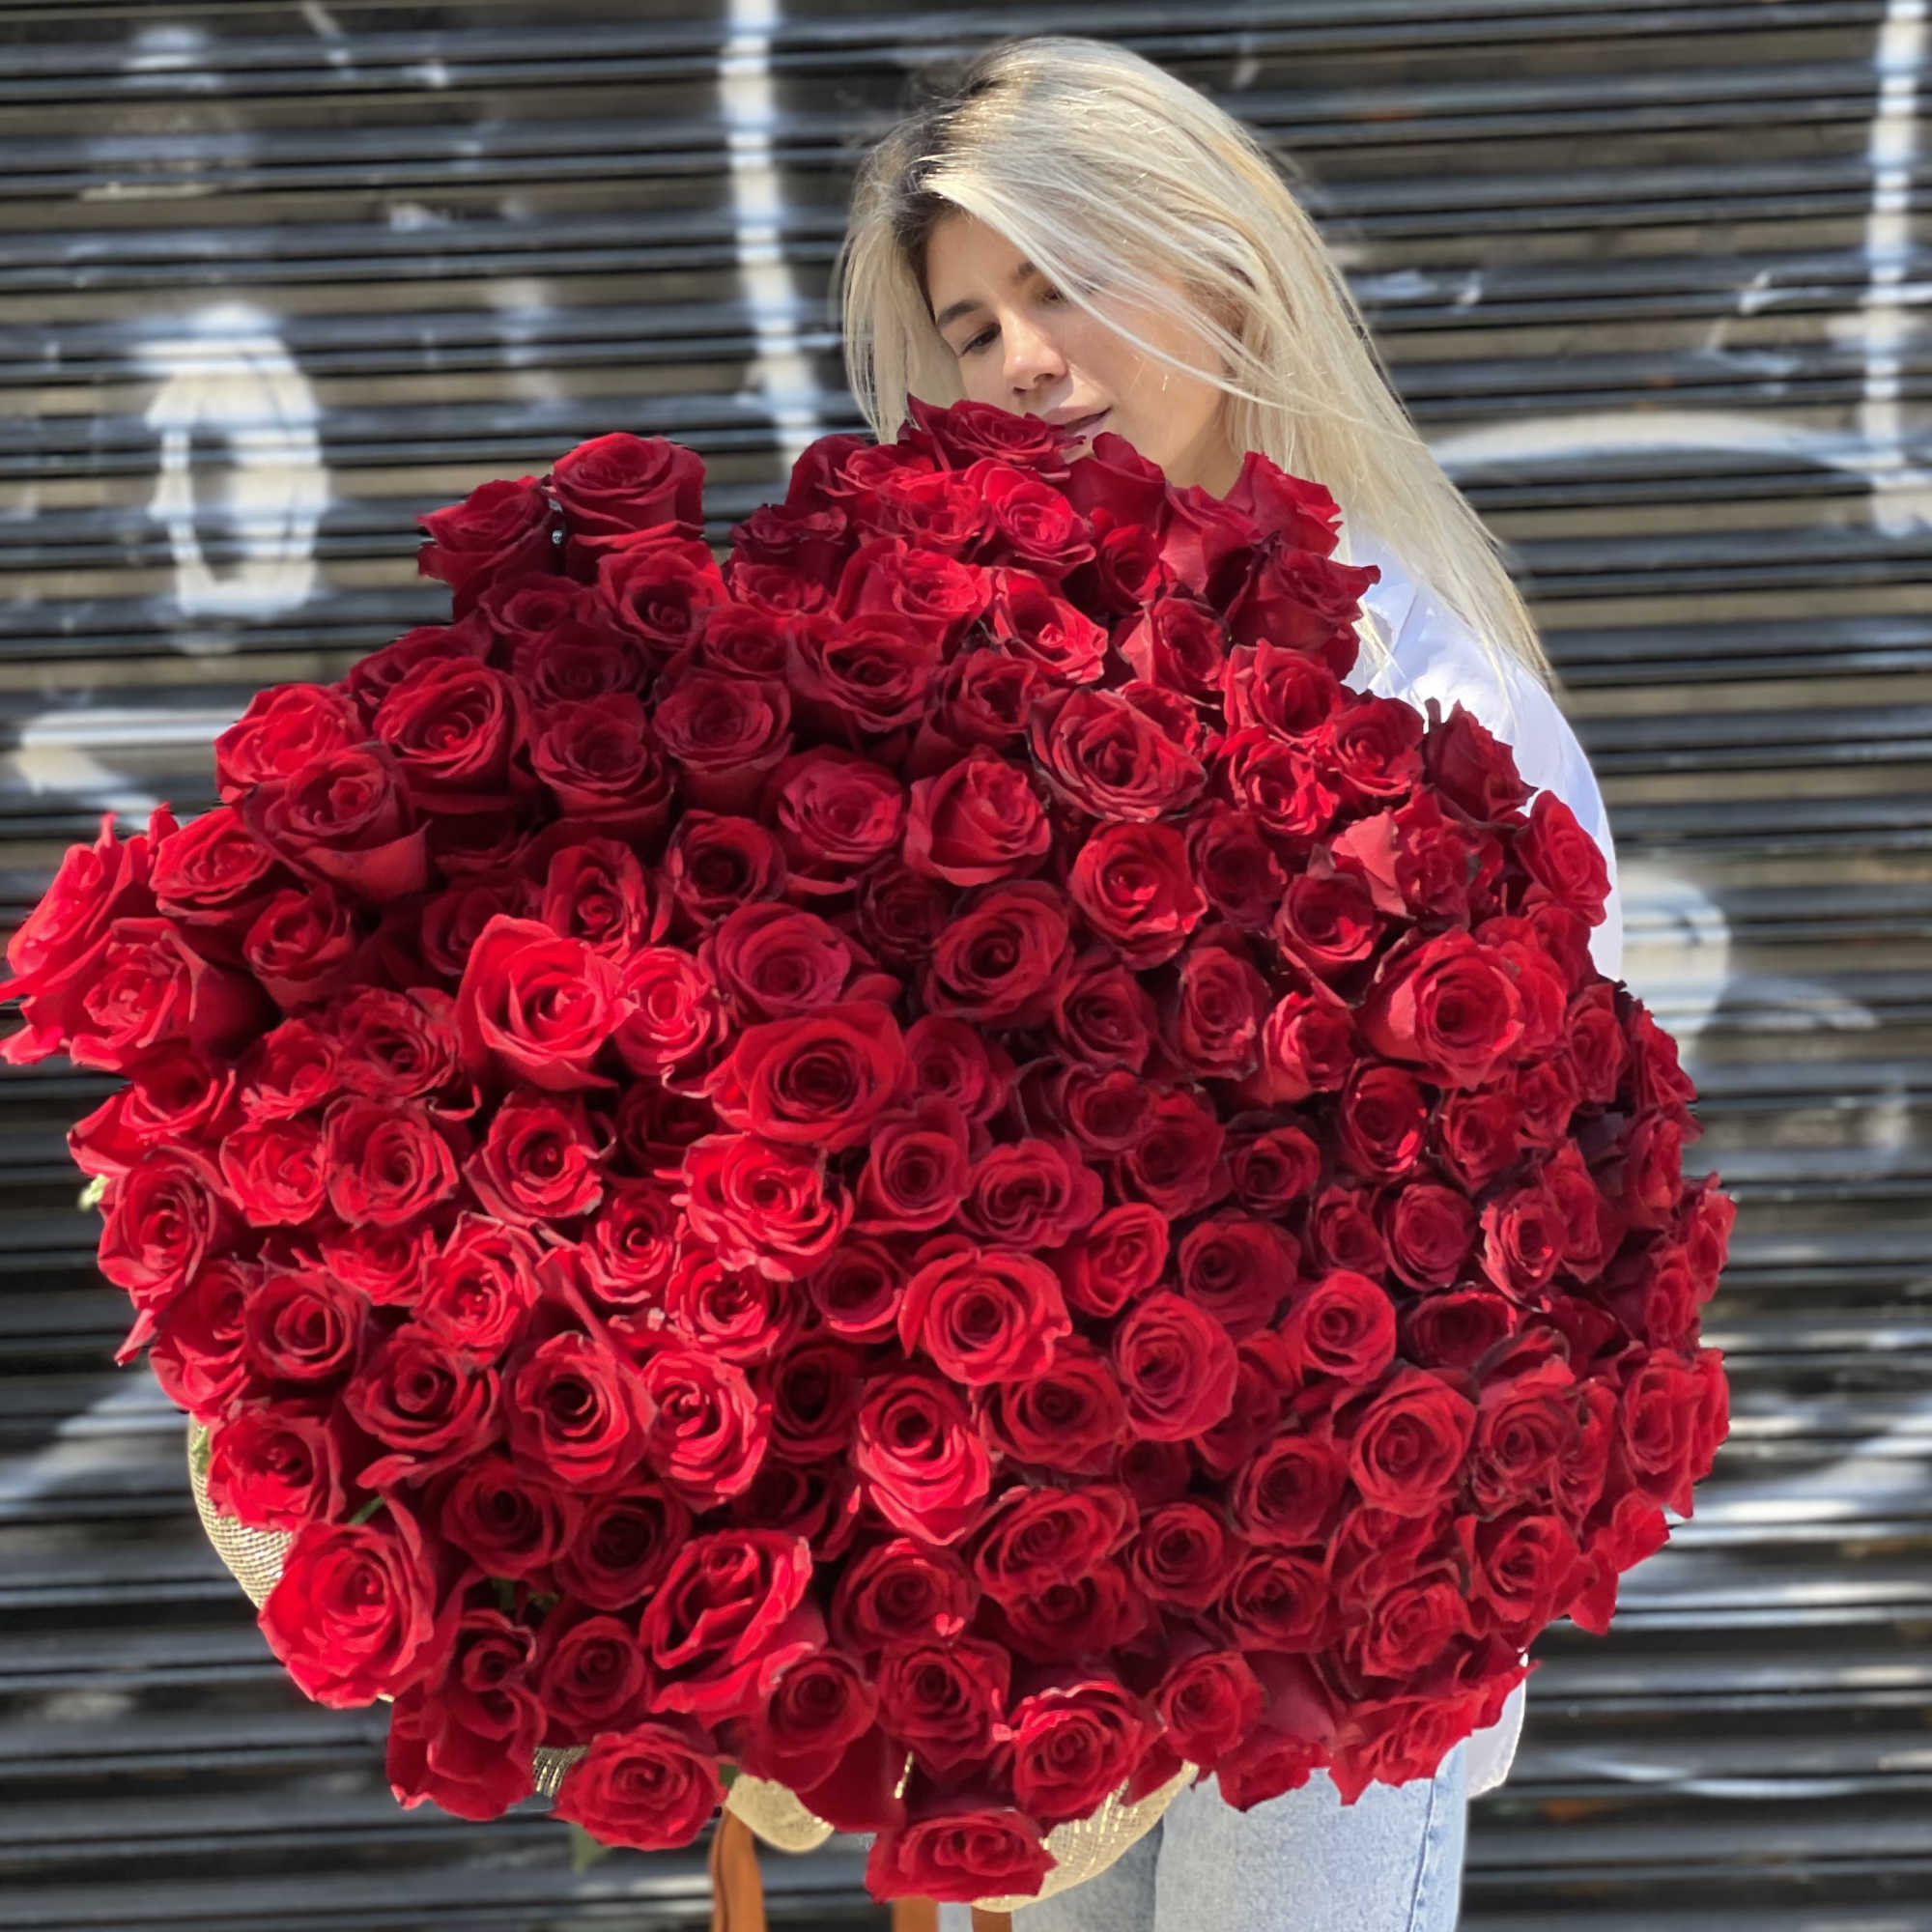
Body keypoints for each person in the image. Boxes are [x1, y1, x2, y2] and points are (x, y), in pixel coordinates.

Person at [831, 32, 1623, 1932]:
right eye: (967, 321)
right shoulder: (972, 694)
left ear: (1218, 262)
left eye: (1062, 280)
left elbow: (1549, 1208)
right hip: (1055, 1590)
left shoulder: (1442, 706)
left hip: (1348, 1597)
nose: (1017, 356)